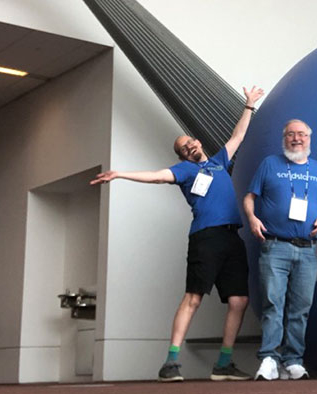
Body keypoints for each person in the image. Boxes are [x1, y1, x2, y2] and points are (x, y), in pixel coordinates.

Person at [91, 86, 266, 382]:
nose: (189, 148)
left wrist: (248, 106)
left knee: (239, 301)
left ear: (197, 142)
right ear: (182, 155)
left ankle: (224, 364)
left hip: (231, 238)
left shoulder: (220, 160)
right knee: (194, 297)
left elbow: (238, 136)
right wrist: (121, 174)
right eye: (183, 148)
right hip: (205, 238)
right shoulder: (184, 171)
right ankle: (170, 362)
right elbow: (158, 176)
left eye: (190, 143)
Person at [244, 118, 317, 380]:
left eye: (302, 135)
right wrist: (252, 218)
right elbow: (249, 196)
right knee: (273, 304)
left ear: (310, 138)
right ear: (283, 138)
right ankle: (270, 359)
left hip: (307, 251)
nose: (297, 139)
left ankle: (293, 360)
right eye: (291, 135)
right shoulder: (269, 164)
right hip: (275, 247)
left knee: (301, 307)